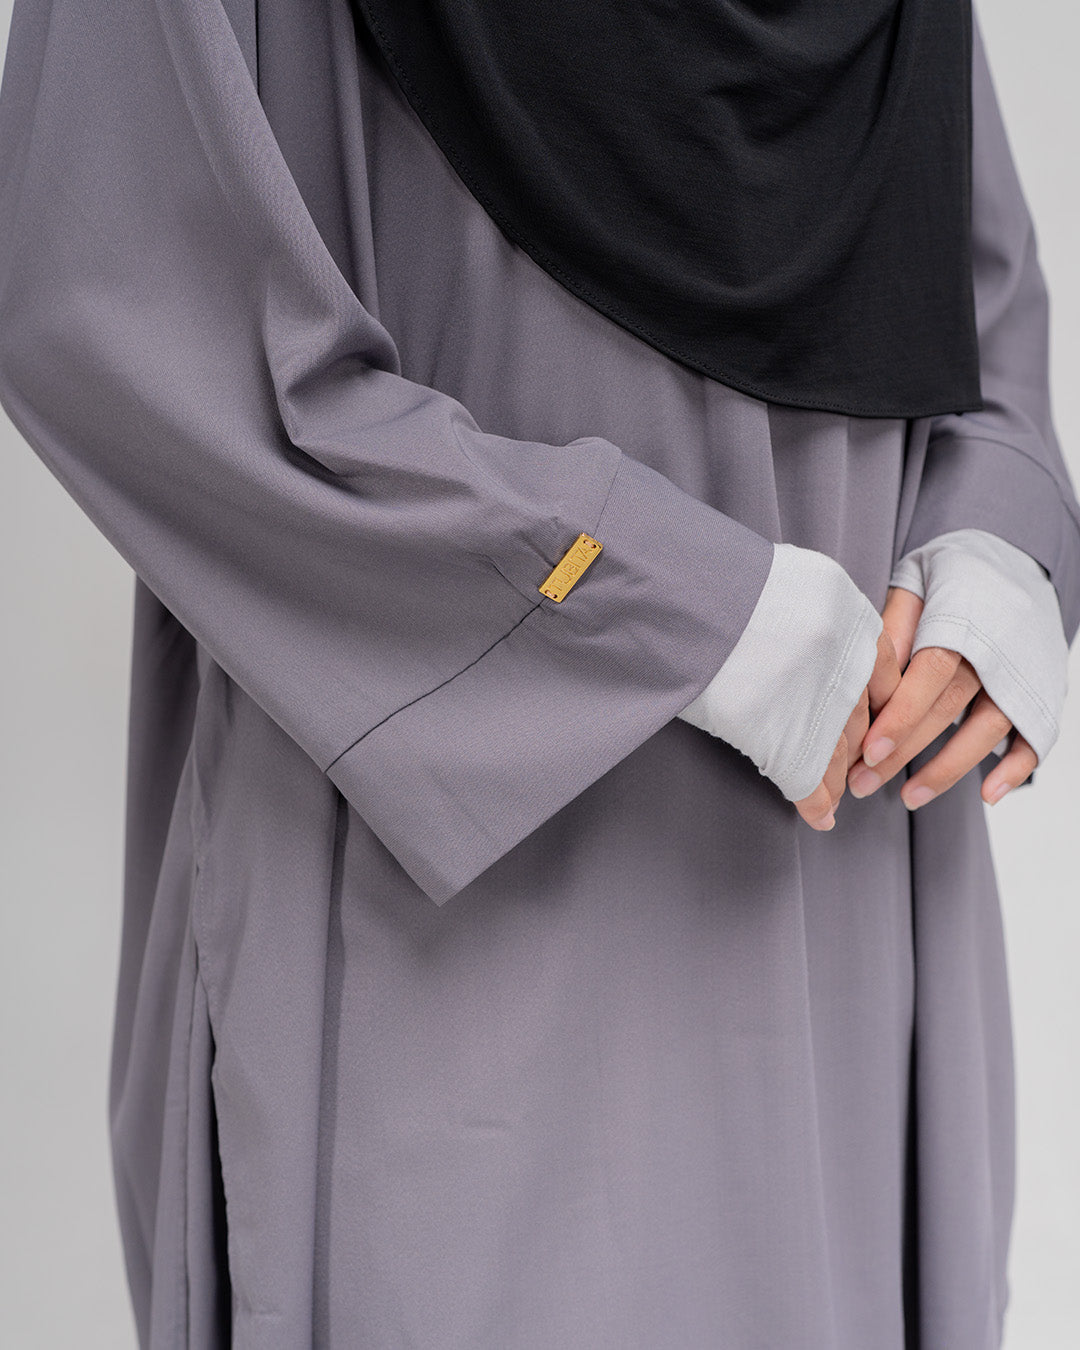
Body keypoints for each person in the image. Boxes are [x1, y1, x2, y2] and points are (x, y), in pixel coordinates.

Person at [0, 0, 1076, 1345]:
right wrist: (676, 608)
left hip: (853, 860)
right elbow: (122, 306)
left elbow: (962, 260)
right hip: (443, 877)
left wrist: (999, 544)